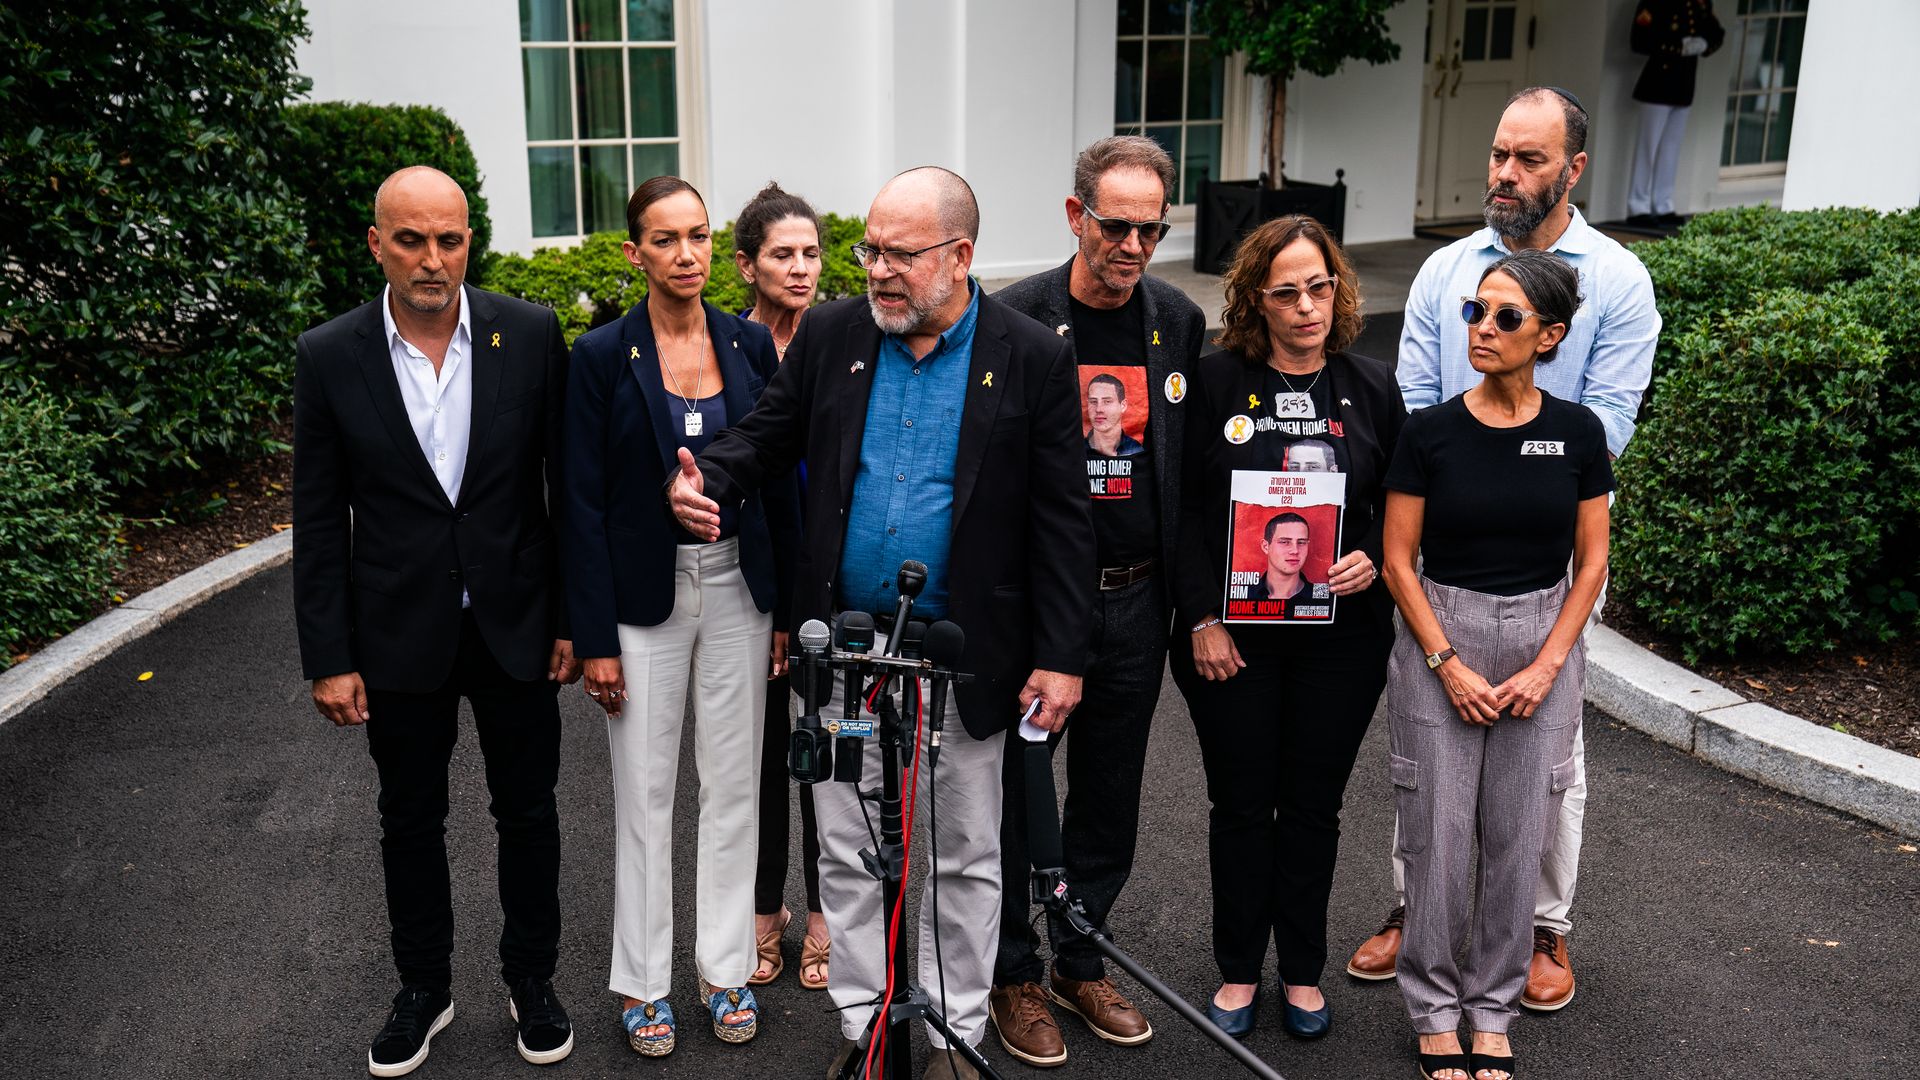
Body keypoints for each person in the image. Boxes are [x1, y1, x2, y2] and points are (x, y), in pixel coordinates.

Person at [669, 166, 1094, 1080]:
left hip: (964, 653)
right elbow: (769, 433)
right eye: (869, 250)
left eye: (901, 255)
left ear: (961, 255)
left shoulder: (1029, 354)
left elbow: (1064, 518)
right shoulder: (833, 334)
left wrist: (1062, 657)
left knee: (966, 857)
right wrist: (711, 474)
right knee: (850, 848)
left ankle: (949, 1038)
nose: (877, 271)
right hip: (847, 649)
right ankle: (866, 1029)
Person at [1354, 86, 1660, 1013]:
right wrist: (1448, 482)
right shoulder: (1448, 268)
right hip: (1437, 556)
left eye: (1528, 160)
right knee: (1426, 752)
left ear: (1572, 170)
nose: (1503, 174)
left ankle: (1541, 927)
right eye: (1497, 155)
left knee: (1550, 755)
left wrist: (1495, 468)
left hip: (1551, 559)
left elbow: (1603, 430)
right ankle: (1422, 915)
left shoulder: (1615, 281)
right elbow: (1410, 399)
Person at [292, 165, 579, 1076]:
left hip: (517, 622)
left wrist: (574, 618)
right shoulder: (330, 354)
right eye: (410, 239)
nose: (431, 258)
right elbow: (317, 514)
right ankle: (424, 987)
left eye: (448, 239)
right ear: (376, 242)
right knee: (408, 819)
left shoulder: (528, 335)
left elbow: (565, 491)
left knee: (528, 813)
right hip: (397, 632)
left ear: (470, 242)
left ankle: (531, 979)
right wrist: (328, 655)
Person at [563, 176, 798, 1057]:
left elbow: (777, 480)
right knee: (645, 792)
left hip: (741, 585)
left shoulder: (747, 345)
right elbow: (580, 505)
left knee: (734, 785)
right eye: (666, 240)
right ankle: (644, 983)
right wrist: (595, 642)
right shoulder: (599, 357)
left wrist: (784, 611)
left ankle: (726, 968)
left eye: (698, 235)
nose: (687, 254)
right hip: (642, 601)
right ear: (635, 253)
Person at [986, 135, 1205, 1068]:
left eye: (1150, 229)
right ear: (1077, 216)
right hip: (1042, 608)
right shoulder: (1015, 318)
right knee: (1014, 796)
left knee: (1111, 794)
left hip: (1136, 603)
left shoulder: (1178, 322)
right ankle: (1011, 972)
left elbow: (1189, 475)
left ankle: (1082, 955)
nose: (1133, 246)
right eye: (1116, 226)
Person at [1169, 215, 1405, 1041]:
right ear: (1254, 300)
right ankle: (1238, 971)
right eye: (1286, 291)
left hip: (1340, 641)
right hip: (1230, 641)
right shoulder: (1215, 383)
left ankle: (1301, 971)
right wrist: (1200, 615)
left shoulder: (1373, 387)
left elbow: (1402, 509)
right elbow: (1186, 513)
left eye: (1319, 285)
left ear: (1336, 288)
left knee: (1312, 807)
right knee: (1239, 804)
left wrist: (1371, 556)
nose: (1307, 305)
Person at [1381, 248, 1611, 1080]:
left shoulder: (1577, 434)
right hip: (1443, 635)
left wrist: (1548, 666)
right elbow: (1398, 560)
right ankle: (1435, 1009)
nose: (1483, 328)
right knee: (1435, 837)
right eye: (1477, 311)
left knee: (1520, 838)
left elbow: (1589, 565)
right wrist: (1446, 661)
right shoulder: (1429, 432)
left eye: (1506, 317)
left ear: (1548, 335)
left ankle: (1492, 1007)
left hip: (1542, 644)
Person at [731, 181, 832, 994]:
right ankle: (765, 912)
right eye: (782, 255)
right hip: (754, 579)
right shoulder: (729, 347)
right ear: (749, 265)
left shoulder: (843, 340)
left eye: (811, 253)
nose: (801, 268)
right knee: (761, 755)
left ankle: (828, 914)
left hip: (834, 583)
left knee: (830, 752)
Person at [1626, 0, 1724, 228]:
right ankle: (1637, 205)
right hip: (1657, 83)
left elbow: (1716, 32)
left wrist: (1704, 44)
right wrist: (1678, 47)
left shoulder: (1701, 2)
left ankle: (1663, 203)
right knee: (1647, 148)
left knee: (1671, 148)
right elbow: (1639, 40)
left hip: (1684, 84)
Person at [1244, 513, 1327, 609]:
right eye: (1284, 542)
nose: (1295, 551)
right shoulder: (1244, 594)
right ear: (1266, 546)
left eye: (1301, 542)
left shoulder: (1324, 596)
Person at [1083, 373, 1145, 456]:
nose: (1098, 409)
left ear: (1123, 406)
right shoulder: (1077, 449)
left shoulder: (1136, 451)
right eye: (1093, 402)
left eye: (1107, 401)